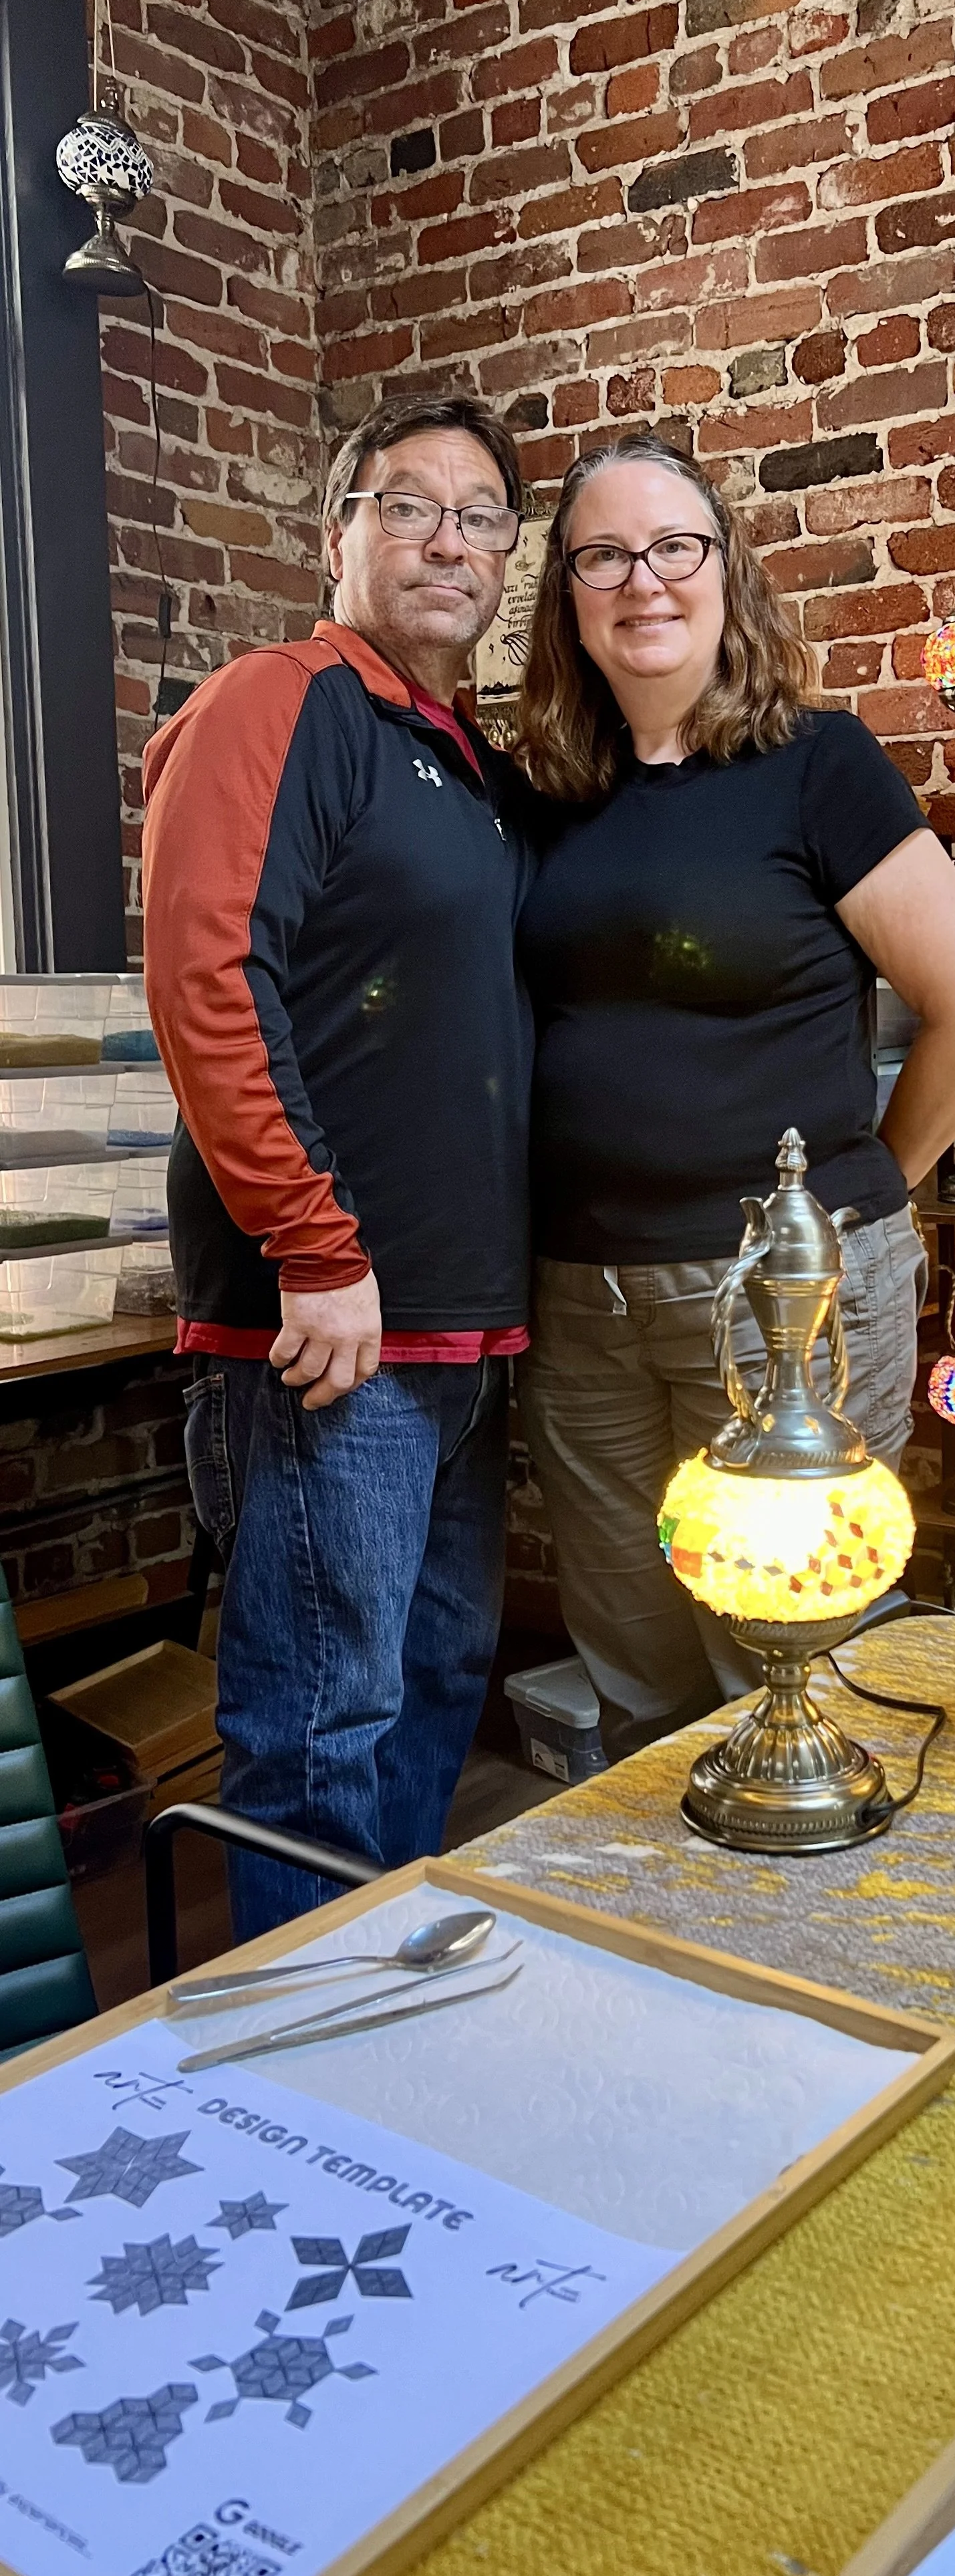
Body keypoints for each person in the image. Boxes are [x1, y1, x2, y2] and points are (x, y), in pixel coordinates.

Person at [512, 428, 955, 1757]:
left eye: (673, 546)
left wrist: (866, 1196)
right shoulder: (546, 792)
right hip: (582, 1302)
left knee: (794, 1662)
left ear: (727, 568)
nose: (644, 580)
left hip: (783, 1298)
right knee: (634, 1662)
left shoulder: (816, 764)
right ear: (568, 596)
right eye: (603, 556)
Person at [142, 390, 535, 1939]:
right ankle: (298, 2037)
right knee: (320, 1728)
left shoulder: (461, 759)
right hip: (326, 1329)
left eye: (482, 517)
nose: (449, 539)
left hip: (460, 1334)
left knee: (434, 1680)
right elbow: (208, 978)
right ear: (339, 537)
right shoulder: (278, 700)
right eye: (410, 505)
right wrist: (315, 1246)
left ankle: (382, 1995)